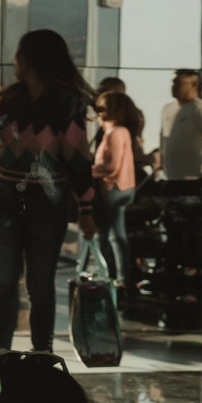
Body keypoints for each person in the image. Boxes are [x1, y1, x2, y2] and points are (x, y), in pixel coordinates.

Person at [0, 31, 98, 354]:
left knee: (40, 286)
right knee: (3, 282)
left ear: (31, 60)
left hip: (46, 201)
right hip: (5, 197)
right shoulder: (11, 99)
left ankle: (42, 355)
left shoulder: (67, 104)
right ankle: (1, 353)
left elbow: (77, 160)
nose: (15, 61)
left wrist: (86, 209)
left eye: (19, 55)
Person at [89, 89, 142, 292]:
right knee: (113, 234)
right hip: (122, 187)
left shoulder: (115, 133)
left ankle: (116, 277)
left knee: (111, 235)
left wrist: (88, 170)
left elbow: (110, 167)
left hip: (114, 188)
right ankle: (117, 276)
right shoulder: (120, 132)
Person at [158, 68, 202, 181]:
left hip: (197, 177)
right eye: (173, 82)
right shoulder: (167, 109)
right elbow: (163, 139)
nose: (174, 86)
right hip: (171, 177)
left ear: (194, 85)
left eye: (179, 83)